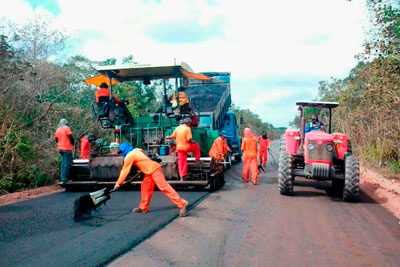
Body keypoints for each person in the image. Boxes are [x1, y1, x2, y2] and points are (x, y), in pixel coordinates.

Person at [113, 142, 189, 216]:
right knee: (145, 187)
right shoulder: (137, 150)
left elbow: (125, 170)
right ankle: (143, 207)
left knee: (164, 187)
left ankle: (182, 203)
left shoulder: (130, 155)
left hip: (154, 170)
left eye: (122, 151)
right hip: (149, 171)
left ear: (125, 149)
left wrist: (118, 183)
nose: (121, 153)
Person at [54, 119, 74, 183]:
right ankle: (65, 178)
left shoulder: (57, 129)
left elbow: (56, 140)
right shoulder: (66, 128)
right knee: (67, 163)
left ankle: (62, 177)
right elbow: (70, 137)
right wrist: (73, 143)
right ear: (65, 123)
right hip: (67, 148)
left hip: (60, 148)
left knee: (62, 163)